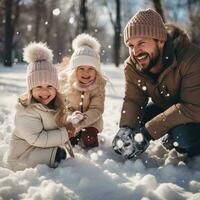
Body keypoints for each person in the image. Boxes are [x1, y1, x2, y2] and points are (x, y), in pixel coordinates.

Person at [112, 8, 200, 159]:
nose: (135, 52)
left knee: (182, 137)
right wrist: (126, 128)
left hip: (194, 109)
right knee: (135, 125)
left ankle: (180, 140)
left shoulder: (191, 58)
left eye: (141, 43)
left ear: (160, 41)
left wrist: (147, 133)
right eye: (131, 46)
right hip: (167, 104)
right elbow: (134, 100)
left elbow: (192, 107)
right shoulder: (133, 65)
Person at [6, 42, 74, 171]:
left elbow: (55, 126)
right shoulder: (26, 110)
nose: (44, 92)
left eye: (49, 86)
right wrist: (65, 133)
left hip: (39, 148)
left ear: (56, 88)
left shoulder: (54, 104)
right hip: (21, 157)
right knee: (58, 155)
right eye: (38, 87)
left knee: (58, 153)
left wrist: (70, 123)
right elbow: (37, 138)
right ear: (30, 90)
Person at [59, 33, 106, 149]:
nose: (86, 73)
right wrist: (72, 118)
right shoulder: (67, 84)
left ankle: (90, 142)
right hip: (72, 121)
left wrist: (84, 119)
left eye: (91, 69)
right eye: (81, 69)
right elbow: (63, 107)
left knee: (89, 138)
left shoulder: (98, 86)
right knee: (69, 139)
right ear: (74, 70)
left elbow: (97, 109)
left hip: (91, 121)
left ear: (96, 71)